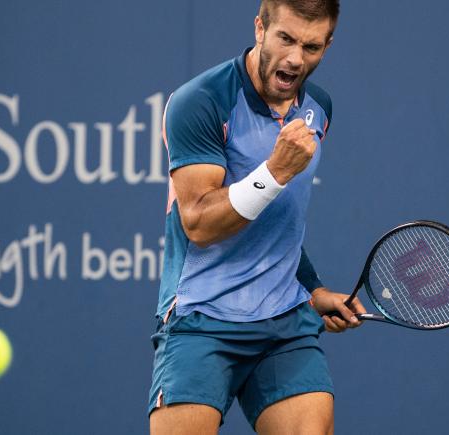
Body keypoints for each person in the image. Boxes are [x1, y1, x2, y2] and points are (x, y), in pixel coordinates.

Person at [148, 1, 365, 433]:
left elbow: (279, 223)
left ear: (328, 45)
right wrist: (275, 171)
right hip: (201, 318)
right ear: (260, 28)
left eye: (312, 46)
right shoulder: (202, 101)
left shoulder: (318, 108)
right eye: (285, 38)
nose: (295, 59)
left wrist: (314, 289)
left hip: (284, 323)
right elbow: (199, 223)